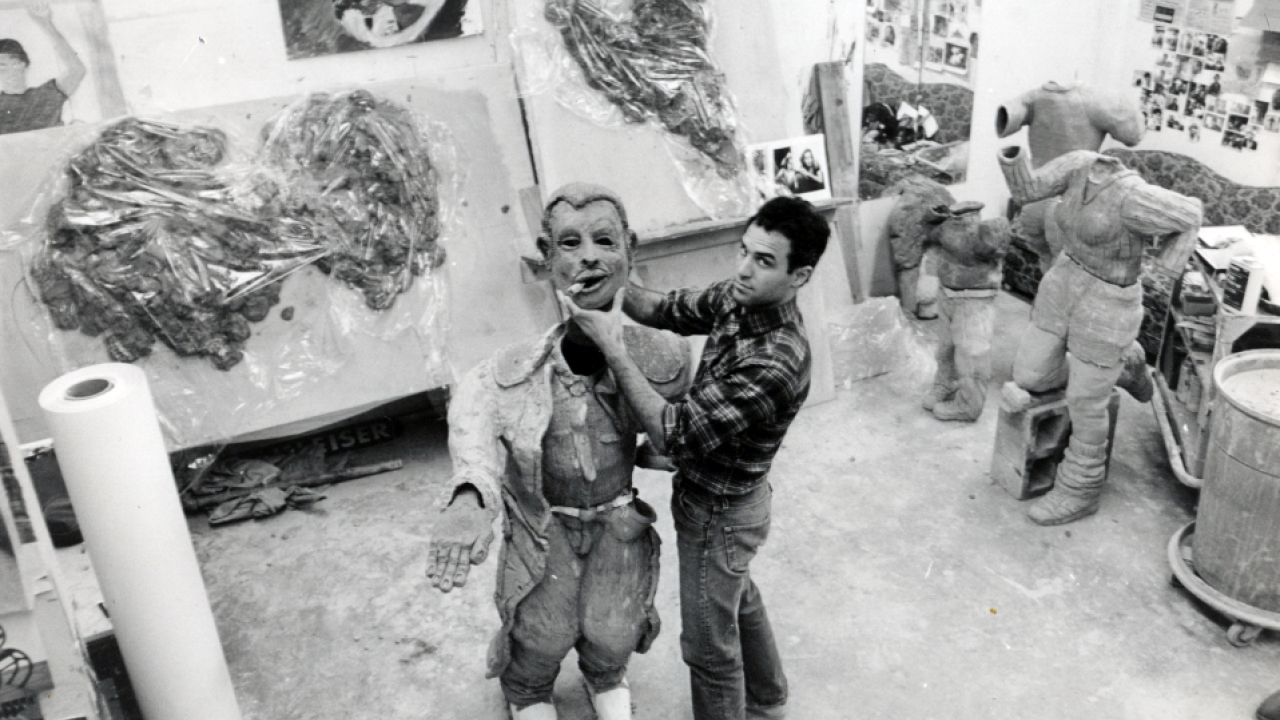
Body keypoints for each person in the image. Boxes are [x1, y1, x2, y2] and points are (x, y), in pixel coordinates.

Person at [425, 183, 693, 720]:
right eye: (569, 244)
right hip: (544, 529)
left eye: (604, 240)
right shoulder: (509, 372)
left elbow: (682, 429)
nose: (588, 256)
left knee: (614, 622)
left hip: (617, 522)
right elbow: (474, 426)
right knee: (542, 628)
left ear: (630, 250)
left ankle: (606, 674)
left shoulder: (665, 357)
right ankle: (527, 690)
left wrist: (667, 454)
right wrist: (470, 495)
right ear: (547, 261)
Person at [563, 196, 831, 720]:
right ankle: (770, 701)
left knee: (708, 650)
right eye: (743, 251)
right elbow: (668, 309)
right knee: (738, 595)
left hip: (722, 515)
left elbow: (672, 434)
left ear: (799, 276)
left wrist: (615, 349)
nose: (744, 270)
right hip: (719, 498)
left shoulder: (776, 359)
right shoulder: (740, 298)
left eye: (763, 261)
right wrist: (613, 279)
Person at [998, 146, 1202, 525]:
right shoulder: (1078, 165)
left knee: (1085, 400)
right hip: (1062, 280)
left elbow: (1191, 213)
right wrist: (1012, 160)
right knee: (1029, 376)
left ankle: (1081, 488)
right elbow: (1027, 192)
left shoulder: (1134, 197)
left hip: (1109, 297)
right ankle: (1123, 366)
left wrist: (1166, 269)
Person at [0, 0, 85, 135]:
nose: (10, 71)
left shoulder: (46, 96)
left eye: (15, 64)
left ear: (25, 65)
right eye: (2, 66)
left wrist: (46, 24)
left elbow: (77, 70)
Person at [335, 0, 447, 49]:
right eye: (395, 31)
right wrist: (413, 32)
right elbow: (437, 2)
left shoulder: (351, 14)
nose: (391, 29)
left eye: (386, 33)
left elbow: (377, 42)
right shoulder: (395, 3)